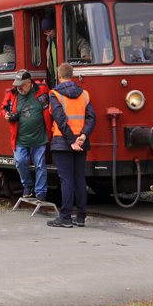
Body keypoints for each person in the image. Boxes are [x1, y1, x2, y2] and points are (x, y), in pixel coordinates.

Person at [46, 63, 96, 228]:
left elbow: (60, 119)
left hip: (63, 142)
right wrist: (83, 136)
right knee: (79, 178)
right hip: (81, 142)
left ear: (59, 76)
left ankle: (65, 217)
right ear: (72, 75)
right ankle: (81, 217)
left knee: (66, 180)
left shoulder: (55, 94)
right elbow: (91, 118)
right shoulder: (85, 94)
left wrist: (71, 141)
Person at [0, 69, 51, 201]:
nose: (19, 88)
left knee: (40, 165)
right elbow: (3, 108)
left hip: (39, 137)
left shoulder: (42, 89)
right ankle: (27, 186)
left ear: (29, 83)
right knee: (20, 161)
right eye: (17, 85)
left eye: (21, 85)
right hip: (20, 138)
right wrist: (5, 115)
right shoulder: (11, 93)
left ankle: (40, 193)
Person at [42, 16, 58, 89]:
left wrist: (84, 55)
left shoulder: (67, 36)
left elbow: (82, 43)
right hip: (55, 78)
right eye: (46, 32)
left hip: (63, 76)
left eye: (49, 31)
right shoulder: (49, 41)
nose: (48, 34)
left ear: (55, 28)